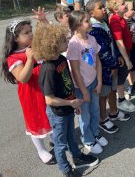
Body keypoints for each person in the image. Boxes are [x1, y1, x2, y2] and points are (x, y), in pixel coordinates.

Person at [33, 24, 99, 177]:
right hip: (58, 113)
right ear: (53, 44)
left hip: (68, 107)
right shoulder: (48, 69)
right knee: (60, 143)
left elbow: (67, 83)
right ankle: (65, 169)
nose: (68, 40)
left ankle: (77, 156)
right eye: (64, 39)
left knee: (71, 136)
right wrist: (70, 103)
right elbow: (49, 100)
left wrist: (73, 101)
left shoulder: (61, 58)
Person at [0, 20, 55, 165]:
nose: (31, 34)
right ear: (15, 38)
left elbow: (48, 38)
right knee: (35, 121)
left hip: (46, 88)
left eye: (31, 31)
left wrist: (43, 21)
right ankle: (41, 150)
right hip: (31, 94)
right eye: (26, 33)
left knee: (51, 115)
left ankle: (56, 139)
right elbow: (23, 78)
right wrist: (30, 59)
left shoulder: (34, 46)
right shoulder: (13, 58)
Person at [86, 0, 130, 134]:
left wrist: (117, 56)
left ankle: (113, 112)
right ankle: (102, 118)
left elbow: (111, 43)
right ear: (91, 13)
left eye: (104, 7)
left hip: (113, 64)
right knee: (103, 95)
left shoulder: (104, 23)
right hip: (105, 69)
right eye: (100, 8)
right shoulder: (93, 29)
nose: (104, 9)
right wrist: (112, 64)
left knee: (113, 90)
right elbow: (101, 51)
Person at [67, 11, 108, 154]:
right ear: (77, 26)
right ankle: (88, 140)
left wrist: (99, 81)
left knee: (95, 110)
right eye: (86, 21)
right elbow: (75, 70)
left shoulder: (91, 38)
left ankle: (95, 132)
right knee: (85, 116)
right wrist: (84, 91)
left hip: (94, 82)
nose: (89, 23)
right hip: (81, 88)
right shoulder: (73, 44)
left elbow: (97, 61)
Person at [107, 0, 135, 113]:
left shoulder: (121, 18)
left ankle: (121, 98)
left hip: (126, 53)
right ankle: (121, 100)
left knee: (123, 76)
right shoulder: (115, 20)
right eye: (123, 4)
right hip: (122, 56)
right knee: (121, 79)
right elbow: (119, 43)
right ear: (115, 9)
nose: (126, 5)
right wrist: (127, 60)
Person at [123, 1, 135, 97]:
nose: (134, 11)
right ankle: (131, 84)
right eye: (132, 9)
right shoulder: (123, 21)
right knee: (130, 67)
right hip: (128, 47)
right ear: (125, 11)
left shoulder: (134, 19)